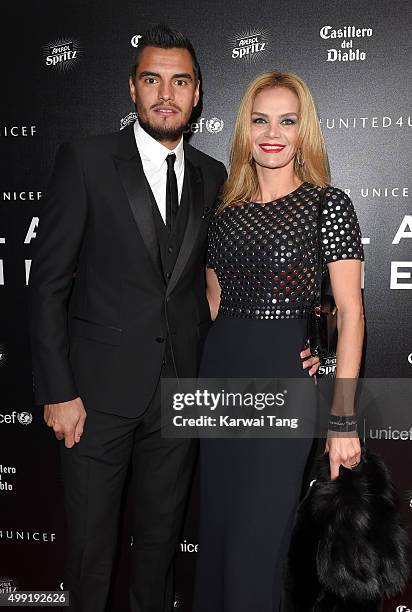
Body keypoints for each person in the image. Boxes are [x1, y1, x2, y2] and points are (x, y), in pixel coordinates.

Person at [27, 26, 320, 612]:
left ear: (197, 95)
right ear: (132, 90)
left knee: (158, 555)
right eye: (153, 79)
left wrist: (306, 343)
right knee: (89, 556)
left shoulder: (219, 180)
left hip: (183, 398)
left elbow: (246, 281)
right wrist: (58, 390)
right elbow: (46, 286)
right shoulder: (84, 161)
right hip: (94, 401)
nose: (167, 93)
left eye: (180, 81)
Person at [192, 71, 365, 612]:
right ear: (245, 129)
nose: (272, 133)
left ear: (303, 131)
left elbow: (353, 315)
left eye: (286, 121)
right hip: (220, 377)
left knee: (258, 542)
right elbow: (214, 301)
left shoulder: (326, 205)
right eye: (260, 120)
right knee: (218, 536)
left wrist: (341, 418)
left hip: (284, 382)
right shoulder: (223, 209)